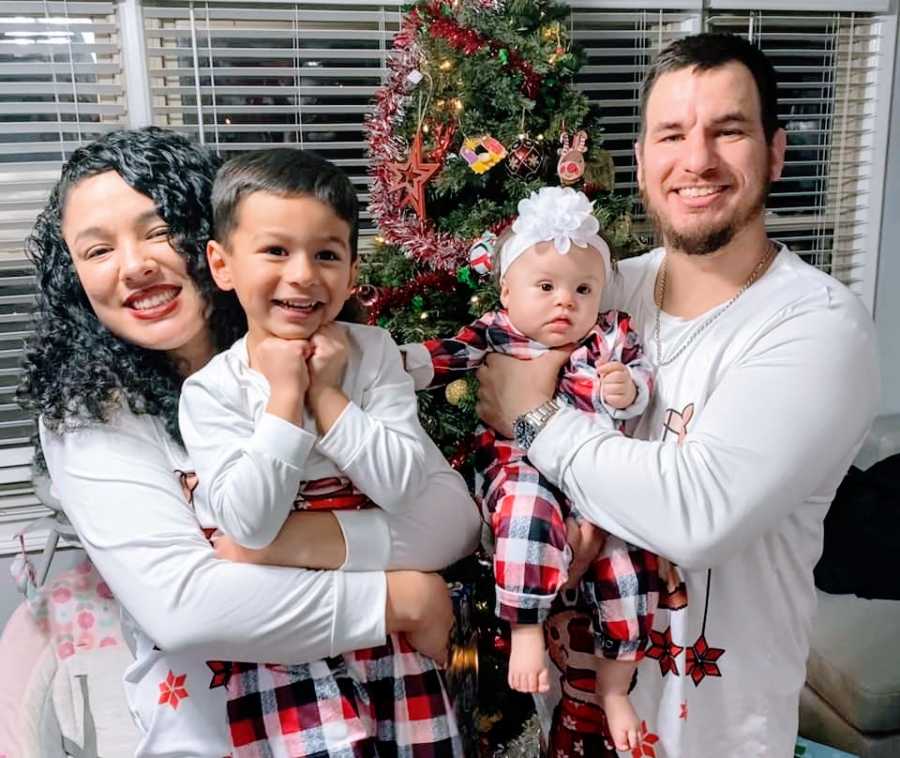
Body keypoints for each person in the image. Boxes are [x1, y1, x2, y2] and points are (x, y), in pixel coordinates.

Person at [474, 33, 879, 758]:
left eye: (729, 131)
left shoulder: (816, 325)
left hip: (716, 734)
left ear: (777, 152)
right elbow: (499, 457)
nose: (697, 160)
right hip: (569, 714)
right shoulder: (599, 290)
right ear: (641, 160)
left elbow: (699, 515)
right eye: (672, 134)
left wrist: (532, 415)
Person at [17, 127, 480, 758]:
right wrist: (399, 596)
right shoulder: (92, 415)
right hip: (222, 733)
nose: (134, 266)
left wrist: (279, 545)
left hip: (393, 708)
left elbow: (450, 521)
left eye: (156, 232)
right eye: (97, 251)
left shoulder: (338, 354)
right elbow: (188, 609)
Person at [178, 148, 467, 755]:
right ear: (222, 263)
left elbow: (403, 485)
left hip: (393, 644)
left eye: (327, 254)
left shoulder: (374, 352)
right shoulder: (212, 391)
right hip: (292, 642)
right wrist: (287, 398)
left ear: (352, 270)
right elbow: (250, 524)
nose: (304, 274)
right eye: (276, 250)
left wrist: (330, 395)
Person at [404, 185, 660, 751]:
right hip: (520, 466)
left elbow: (640, 378)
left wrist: (629, 389)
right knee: (525, 511)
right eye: (545, 287)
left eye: (582, 288)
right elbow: (445, 355)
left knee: (629, 567)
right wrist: (402, 364)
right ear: (507, 290)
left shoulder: (610, 334)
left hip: (598, 481)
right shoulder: (497, 330)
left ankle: (616, 687)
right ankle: (524, 627)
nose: (564, 302)